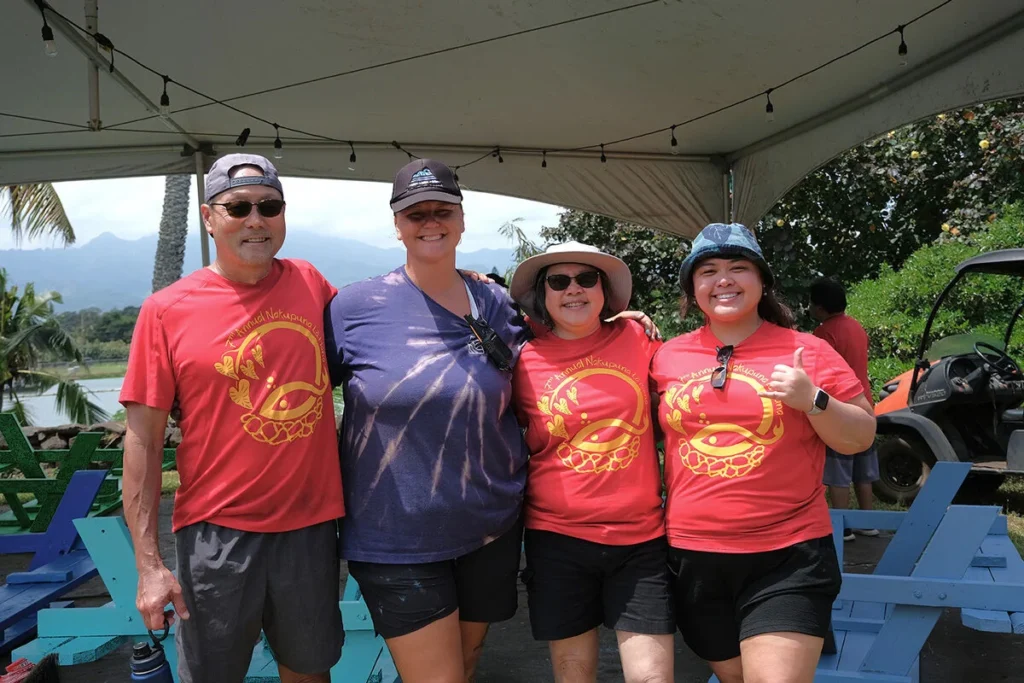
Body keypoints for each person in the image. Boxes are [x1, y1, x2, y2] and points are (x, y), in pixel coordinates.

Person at [120, 154, 345, 683]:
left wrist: (452, 283)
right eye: (238, 206)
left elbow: (376, 333)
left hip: (310, 530)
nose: (255, 219)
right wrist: (149, 565)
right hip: (216, 535)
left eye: (269, 206)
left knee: (311, 672)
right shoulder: (166, 310)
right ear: (208, 217)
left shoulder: (312, 283)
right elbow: (143, 442)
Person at [324, 159, 529, 683]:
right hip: (396, 534)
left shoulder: (497, 300)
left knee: (464, 664)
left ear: (462, 220)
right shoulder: (353, 307)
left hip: (492, 526)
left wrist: (620, 320)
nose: (430, 222)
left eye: (443, 210)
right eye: (415, 213)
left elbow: (558, 351)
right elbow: (301, 396)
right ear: (397, 225)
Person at [650, 223, 876, 683]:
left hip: (787, 555)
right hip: (692, 556)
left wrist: (814, 400)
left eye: (739, 268)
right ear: (693, 289)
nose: (723, 280)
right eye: (708, 270)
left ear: (763, 281)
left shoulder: (806, 351)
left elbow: (860, 437)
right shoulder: (664, 356)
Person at [508, 242, 674, 683]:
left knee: (652, 677)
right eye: (559, 282)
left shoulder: (640, 338)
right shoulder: (523, 359)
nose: (573, 290)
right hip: (557, 538)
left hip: (640, 539)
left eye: (586, 279)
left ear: (604, 290)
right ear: (543, 295)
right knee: (574, 675)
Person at [810, 277, 880, 541]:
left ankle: (843, 527)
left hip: (838, 410)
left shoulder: (823, 333)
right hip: (864, 407)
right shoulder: (856, 327)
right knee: (864, 472)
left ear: (819, 308)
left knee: (838, 473)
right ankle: (868, 521)